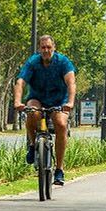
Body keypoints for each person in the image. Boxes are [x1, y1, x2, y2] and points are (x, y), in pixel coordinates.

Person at [14, 35, 76, 186]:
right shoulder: (33, 62)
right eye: (43, 48)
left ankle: (59, 169)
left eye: (49, 47)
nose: (46, 50)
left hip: (59, 100)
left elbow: (71, 82)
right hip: (38, 98)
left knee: (61, 124)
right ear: (39, 49)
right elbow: (20, 82)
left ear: (54, 47)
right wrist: (17, 101)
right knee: (32, 112)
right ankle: (32, 144)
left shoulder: (63, 62)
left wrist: (70, 102)